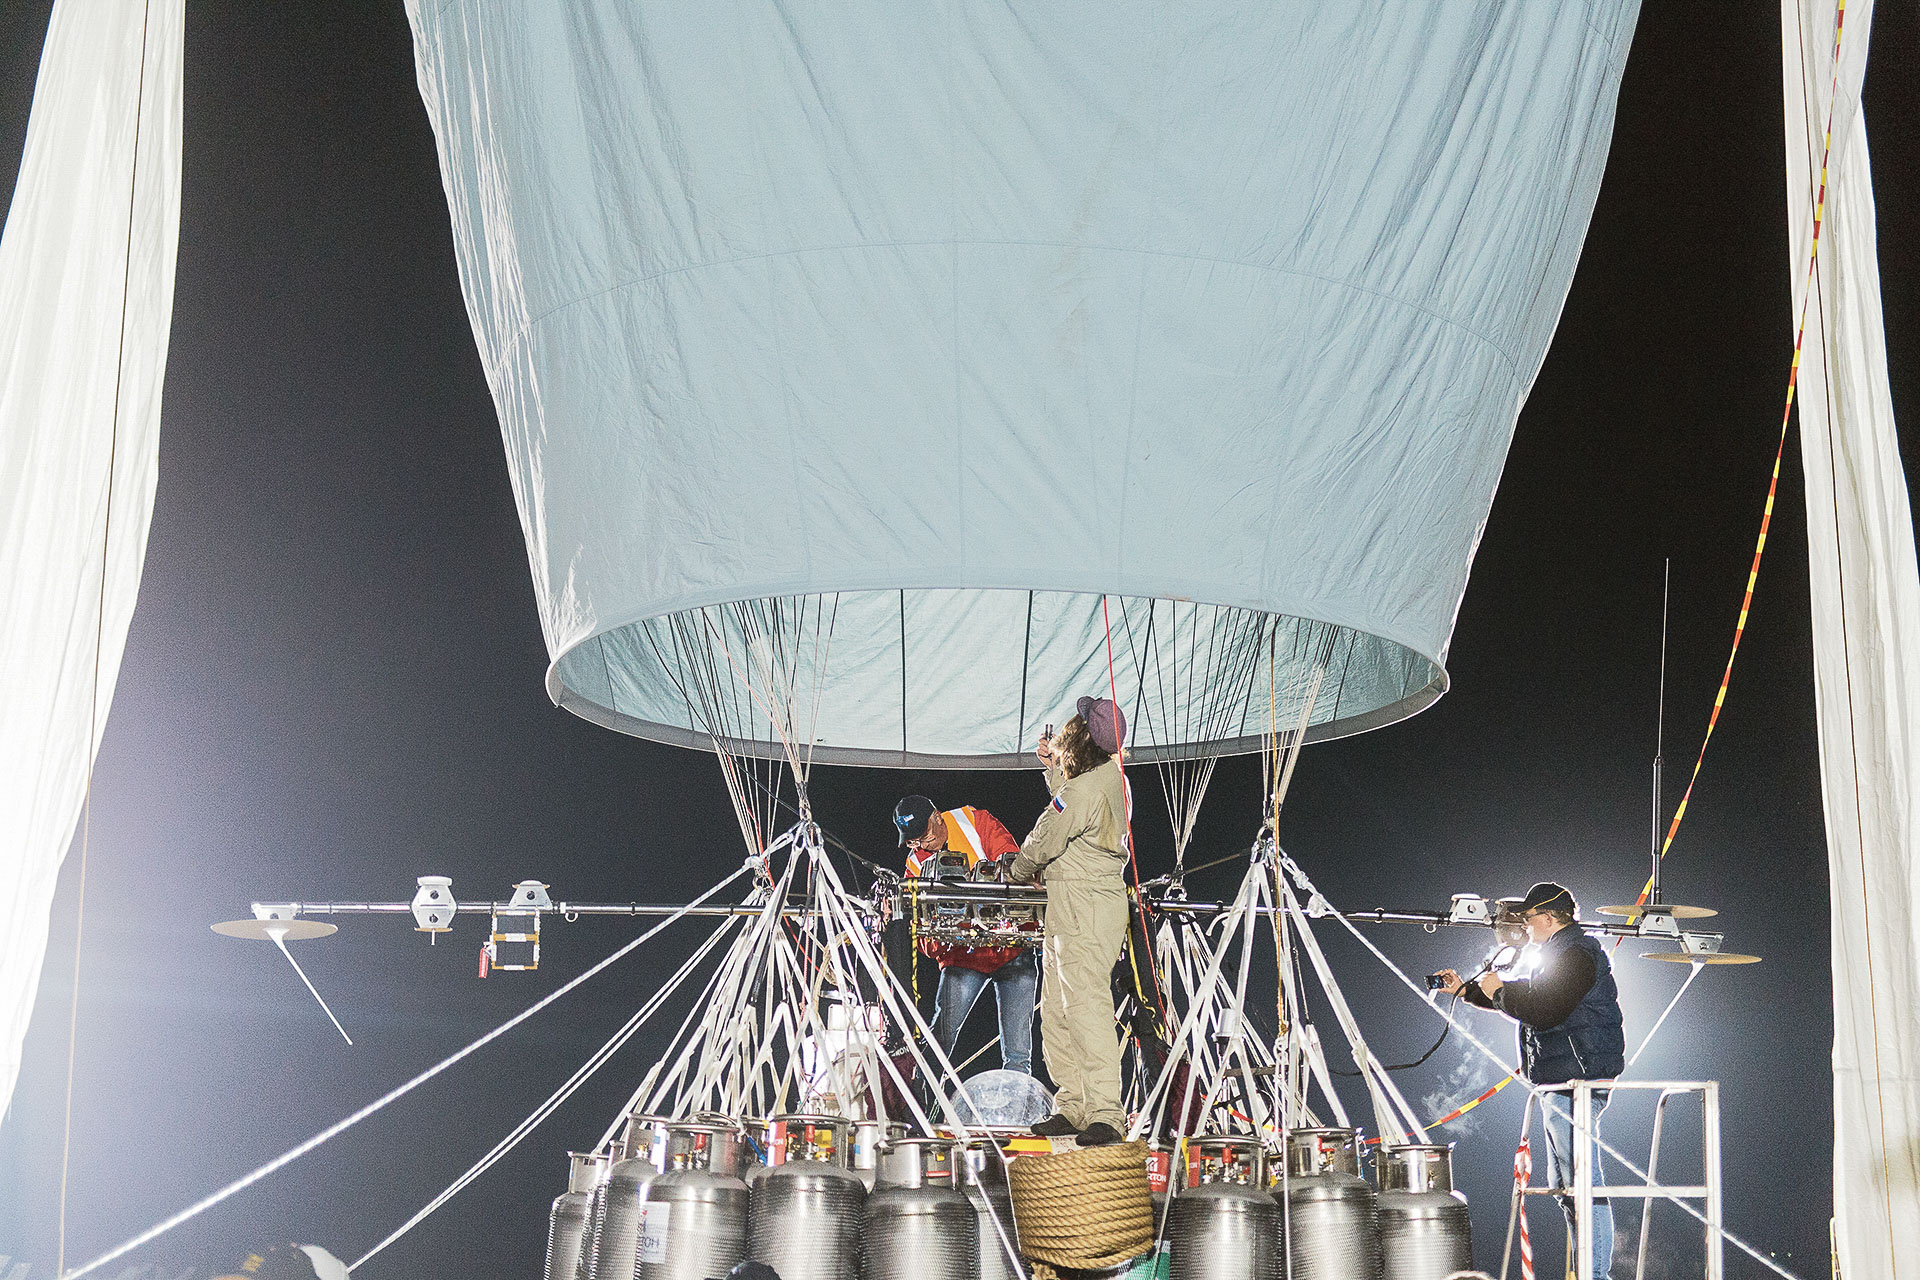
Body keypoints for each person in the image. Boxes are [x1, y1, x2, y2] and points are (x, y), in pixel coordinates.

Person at [1437, 882, 1626, 1280]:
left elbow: (1544, 1008)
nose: (1523, 926)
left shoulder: (1576, 954)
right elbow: (1529, 997)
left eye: (1527, 918)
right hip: (1561, 1081)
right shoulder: (1560, 953)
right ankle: (1588, 1268)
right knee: (1565, 1186)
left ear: (1546, 917)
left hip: (1577, 1079)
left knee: (1582, 1181)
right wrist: (1468, 990)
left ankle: (1596, 1273)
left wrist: (1501, 991)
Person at [1007, 696, 1131, 1147]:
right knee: (1058, 1010)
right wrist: (1054, 767)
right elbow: (1070, 802)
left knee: (1085, 1009)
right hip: (1082, 900)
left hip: (1083, 902)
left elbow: (1045, 837)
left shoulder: (1083, 791)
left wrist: (1017, 872)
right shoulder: (1108, 780)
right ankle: (1074, 1105)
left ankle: (1103, 1113)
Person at [893, 795, 1038, 1077]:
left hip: (1013, 949)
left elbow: (1015, 868)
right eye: (913, 841)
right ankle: (919, 1107)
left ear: (937, 817)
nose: (922, 845)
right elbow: (917, 931)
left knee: (1018, 1052)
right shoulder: (914, 866)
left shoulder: (975, 821)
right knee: (939, 1040)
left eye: (924, 836)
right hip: (963, 957)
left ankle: (1015, 1116)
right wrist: (945, 941)